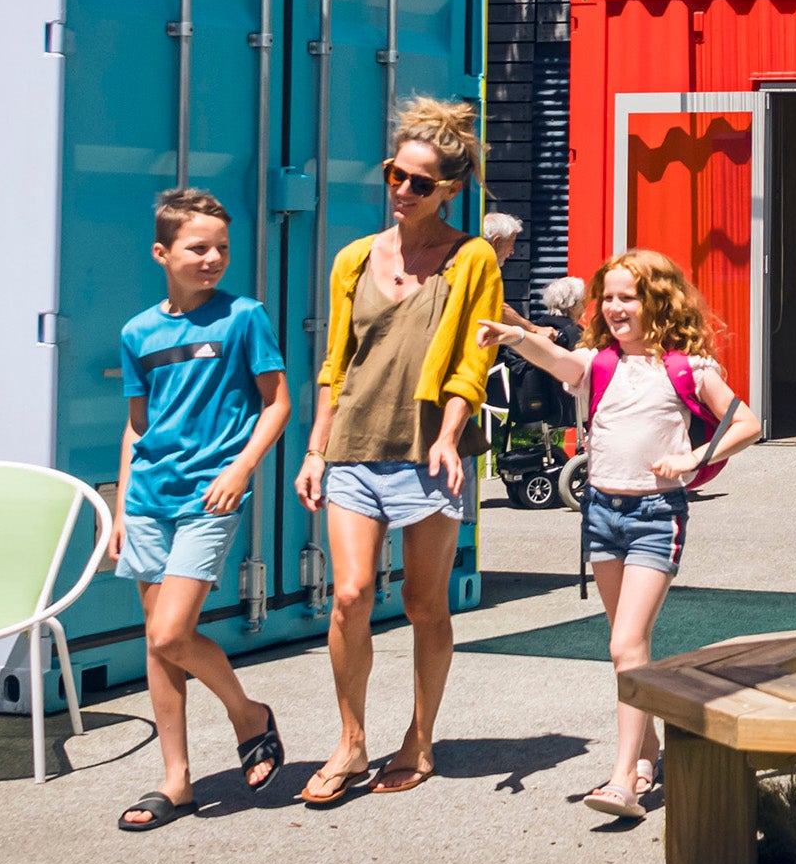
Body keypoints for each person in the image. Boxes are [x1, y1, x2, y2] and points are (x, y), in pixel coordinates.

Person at [486, 248, 758, 819]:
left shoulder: (689, 368)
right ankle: (650, 748)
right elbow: (553, 356)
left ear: (657, 300)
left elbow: (747, 422)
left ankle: (622, 781)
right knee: (625, 648)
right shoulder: (597, 364)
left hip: (656, 516)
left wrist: (691, 458)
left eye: (626, 296)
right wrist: (513, 335)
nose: (614, 307)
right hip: (601, 515)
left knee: (625, 644)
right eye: (606, 297)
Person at [290, 96, 503, 804]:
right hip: (353, 447)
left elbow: (472, 360)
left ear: (450, 189)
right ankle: (350, 742)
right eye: (394, 174)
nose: (400, 190)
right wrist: (316, 448)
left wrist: (449, 436)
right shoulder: (354, 259)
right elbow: (335, 364)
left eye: (418, 181)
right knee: (349, 594)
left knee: (423, 603)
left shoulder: (471, 259)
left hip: (426, 453)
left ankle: (419, 738)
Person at [108, 187, 290, 830]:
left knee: (171, 632)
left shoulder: (244, 317)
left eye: (221, 249)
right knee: (160, 649)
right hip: (148, 500)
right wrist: (123, 508)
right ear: (162, 252)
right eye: (197, 248)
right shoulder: (138, 331)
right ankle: (176, 780)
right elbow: (137, 425)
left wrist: (240, 469)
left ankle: (248, 714)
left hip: (210, 494)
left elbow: (277, 404)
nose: (212, 258)